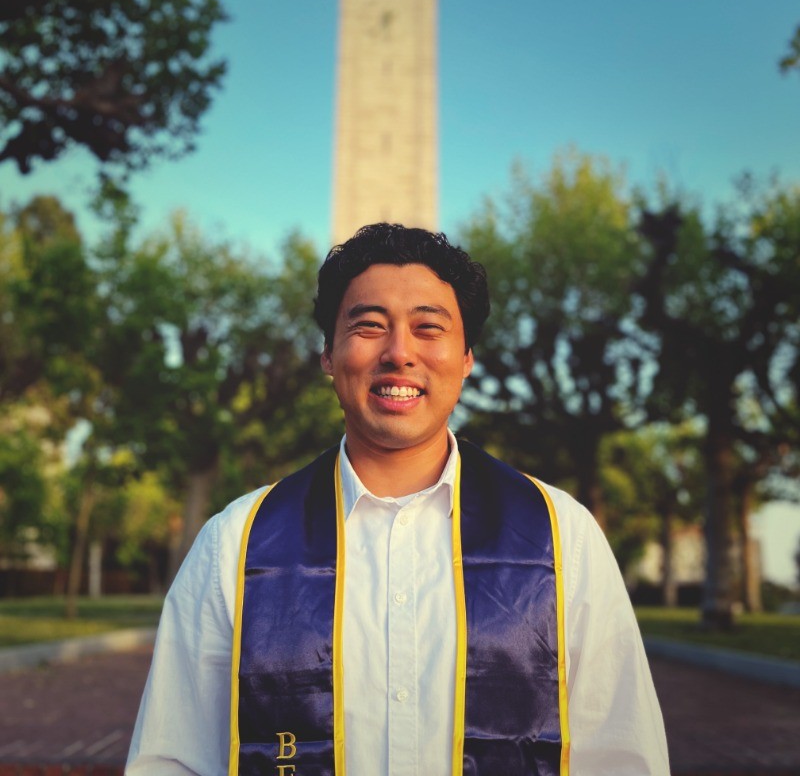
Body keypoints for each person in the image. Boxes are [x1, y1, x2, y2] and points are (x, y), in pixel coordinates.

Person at [126, 223, 669, 776]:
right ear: (329, 357)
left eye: (428, 328)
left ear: (466, 359)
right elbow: (172, 761)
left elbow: (623, 758)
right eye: (369, 326)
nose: (399, 353)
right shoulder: (236, 546)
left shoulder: (560, 538)